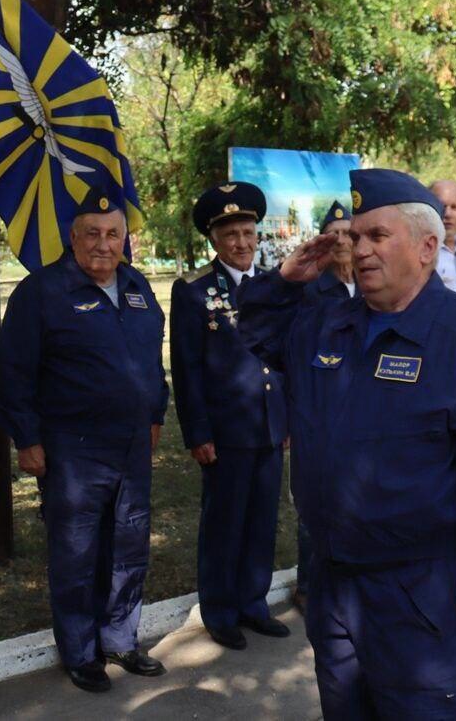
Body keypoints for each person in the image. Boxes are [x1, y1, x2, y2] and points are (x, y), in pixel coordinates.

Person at [238, 168, 456, 720]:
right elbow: (258, 332)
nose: (359, 249)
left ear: (427, 247)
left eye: (377, 236)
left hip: (420, 587)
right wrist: (285, 281)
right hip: (335, 583)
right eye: (354, 237)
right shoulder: (327, 326)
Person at [0, 184, 170, 694]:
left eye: (113, 234)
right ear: (73, 237)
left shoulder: (136, 286)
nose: (103, 244)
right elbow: (10, 374)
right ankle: (81, 651)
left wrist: (155, 411)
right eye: (92, 233)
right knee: (76, 551)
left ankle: (120, 637)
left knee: (129, 545)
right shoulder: (44, 291)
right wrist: (27, 438)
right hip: (73, 449)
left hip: (132, 444)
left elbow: (152, 362)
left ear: (124, 239)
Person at [170, 182, 289, 652]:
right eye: (230, 234)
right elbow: (187, 367)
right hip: (225, 430)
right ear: (214, 241)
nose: (241, 242)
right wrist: (198, 431)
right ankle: (220, 611)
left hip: (269, 424)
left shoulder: (273, 286)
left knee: (262, 519)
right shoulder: (194, 291)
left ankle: (253, 605)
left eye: (247, 231)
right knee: (225, 522)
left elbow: (284, 357)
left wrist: (288, 419)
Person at [291, 199, 356, 612]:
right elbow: (298, 358)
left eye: (351, 234)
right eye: (336, 235)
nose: (345, 242)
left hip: (360, 412)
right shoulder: (313, 292)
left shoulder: (368, 285)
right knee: (314, 501)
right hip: (320, 412)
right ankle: (307, 585)